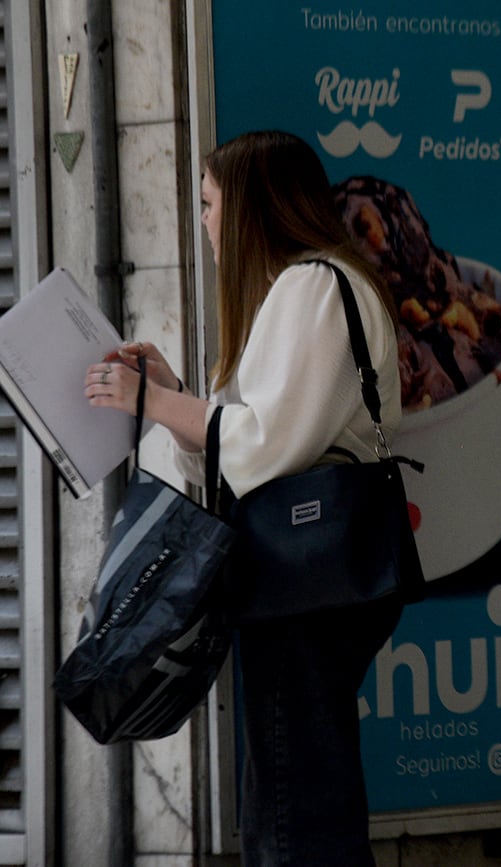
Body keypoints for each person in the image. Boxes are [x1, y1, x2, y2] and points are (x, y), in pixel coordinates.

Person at [85, 129, 402, 866]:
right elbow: (252, 440)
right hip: (314, 572)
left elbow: (265, 447)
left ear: (250, 207)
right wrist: (170, 397)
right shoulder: (314, 283)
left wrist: (155, 405)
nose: (202, 221)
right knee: (297, 782)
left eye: (207, 203)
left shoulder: (312, 284)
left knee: (294, 797)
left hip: (305, 578)